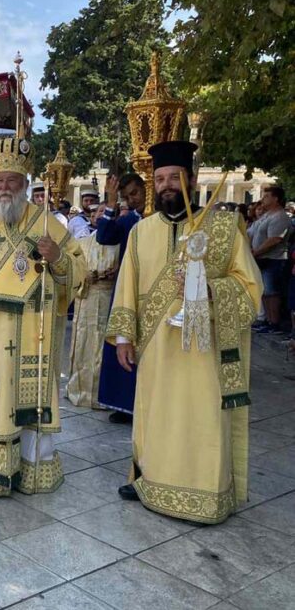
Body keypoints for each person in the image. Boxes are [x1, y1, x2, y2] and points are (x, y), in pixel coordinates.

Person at [107, 140, 261, 524]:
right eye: (159, 179)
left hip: (204, 349)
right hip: (156, 347)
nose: (166, 186)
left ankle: (207, 493)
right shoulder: (142, 232)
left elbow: (250, 287)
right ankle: (150, 479)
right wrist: (124, 339)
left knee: (202, 415)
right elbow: (128, 284)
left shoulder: (223, 228)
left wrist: (212, 290)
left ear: (189, 180)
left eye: (173, 177)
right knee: (154, 413)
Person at [0, 136, 85, 496]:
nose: (5, 188)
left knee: (25, 401)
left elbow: (79, 272)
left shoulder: (46, 224)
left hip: (30, 336)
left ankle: (31, 471)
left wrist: (56, 257)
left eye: (13, 181)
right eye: (0, 181)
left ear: (25, 185)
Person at [95, 172, 146, 423]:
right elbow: (104, 237)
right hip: (129, 288)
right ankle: (124, 403)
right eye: (127, 197)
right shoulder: (129, 221)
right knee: (125, 341)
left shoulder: (161, 220)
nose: (132, 200)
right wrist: (111, 203)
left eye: (135, 193)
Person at [66, 204, 119, 408]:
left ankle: (101, 395)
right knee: (83, 343)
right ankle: (78, 390)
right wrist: (86, 276)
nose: (99, 214)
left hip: (108, 300)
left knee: (103, 346)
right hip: (85, 300)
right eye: (96, 211)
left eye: (104, 211)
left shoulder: (120, 242)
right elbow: (74, 271)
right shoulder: (82, 242)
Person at [250, 186, 289, 334]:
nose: (263, 199)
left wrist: (256, 252)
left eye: (266, 196)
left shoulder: (279, 217)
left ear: (276, 199)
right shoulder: (266, 215)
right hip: (262, 258)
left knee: (272, 292)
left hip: (273, 259)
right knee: (265, 292)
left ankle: (275, 323)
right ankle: (267, 320)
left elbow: (274, 239)